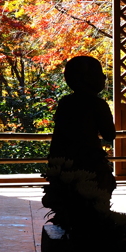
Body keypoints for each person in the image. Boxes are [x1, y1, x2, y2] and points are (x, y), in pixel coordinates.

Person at [48, 55, 116, 192]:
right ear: (88, 78)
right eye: (100, 74)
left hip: (65, 161)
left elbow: (58, 136)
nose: (104, 77)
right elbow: (109, 134)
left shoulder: (65, 102)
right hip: (90, 161)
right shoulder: (98, 104)